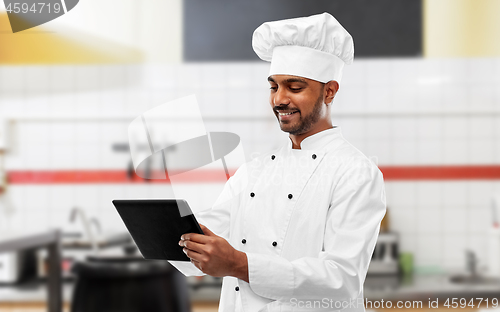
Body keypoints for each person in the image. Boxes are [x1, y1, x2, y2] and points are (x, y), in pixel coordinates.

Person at [170, 12, 386, 312]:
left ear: (330, 91)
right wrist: (169, 234)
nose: (278, 100)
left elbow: (342, 279)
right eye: (274, 87)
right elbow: (209, 236)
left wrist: (238, 264)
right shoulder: (254, 172)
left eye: (294, 87)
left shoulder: (355, 172)